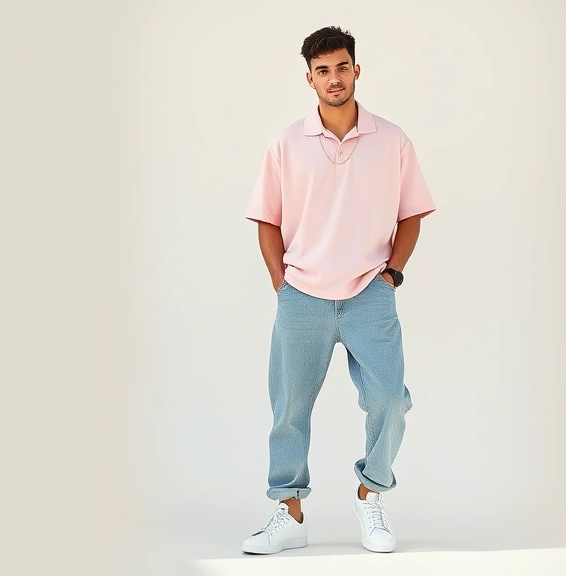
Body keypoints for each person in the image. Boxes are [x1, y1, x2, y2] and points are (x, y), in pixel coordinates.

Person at [241, 26, 436, 555]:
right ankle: (289, 511)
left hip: (370, 293)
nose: (334, 77)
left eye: (341, 67)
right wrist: (282, 285)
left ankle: (370, 491)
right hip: (302, 294)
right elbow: (267, 220)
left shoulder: (392, 140)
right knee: (289, 408)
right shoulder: (286, 143)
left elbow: (412, 214)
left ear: (356, 70)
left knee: (391, 401)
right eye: (322, 70)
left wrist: (391, 274)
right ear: (309, 78)